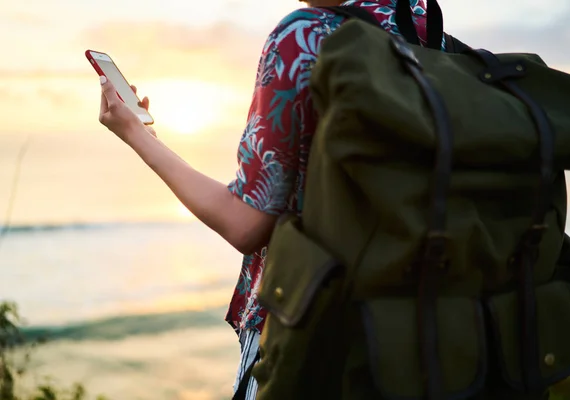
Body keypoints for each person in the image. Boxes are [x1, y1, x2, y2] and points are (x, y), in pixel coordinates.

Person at [96, 0, 433, 398]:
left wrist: (137, 136)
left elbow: (245, 223)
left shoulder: (303, 36)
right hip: (416, 327)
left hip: (313, 327)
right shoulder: (425, 31)